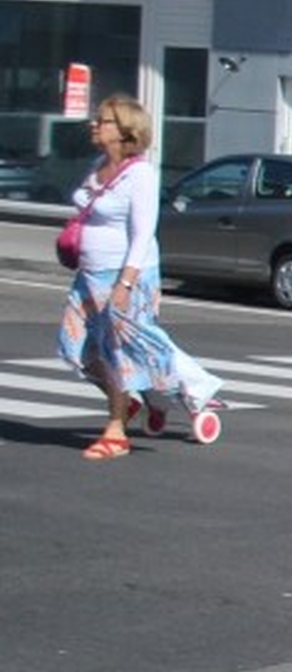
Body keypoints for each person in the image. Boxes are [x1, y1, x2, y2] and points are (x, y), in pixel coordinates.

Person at [56, 94, 224, 457]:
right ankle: (130, 400)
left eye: (103, 120)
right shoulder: (100, 165)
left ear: (126, 132)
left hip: (125, 275)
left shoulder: (141, 175)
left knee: (125, 350)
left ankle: (119, 430)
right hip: (89, 275)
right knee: (77, 349)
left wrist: (126, 283)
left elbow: (143, 233)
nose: (95, 124)